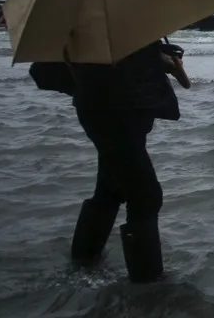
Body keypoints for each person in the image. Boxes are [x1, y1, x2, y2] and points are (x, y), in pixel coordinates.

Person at [65, 39, 190, 282]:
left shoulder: (105, 23)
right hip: (115, 112)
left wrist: (158, 58)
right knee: (146, 196)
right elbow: (121, 66)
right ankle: (149, 287)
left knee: (110, 189)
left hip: (106, 110)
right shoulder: (110, 25)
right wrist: (156, 61)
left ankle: (81, 266)